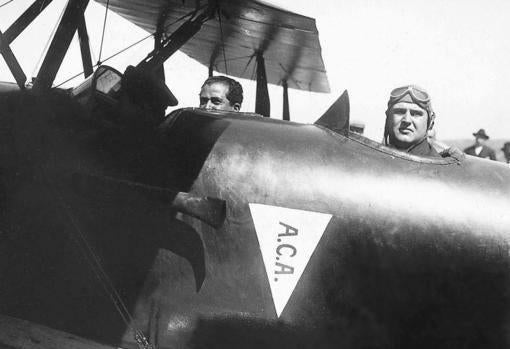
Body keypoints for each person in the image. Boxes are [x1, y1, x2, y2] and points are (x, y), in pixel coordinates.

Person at [383, 85, 440, 157]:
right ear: (388, 118)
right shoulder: (370, 161)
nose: (407, 120)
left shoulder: (444, 167)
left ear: (430, 123)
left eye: (416, 114)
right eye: (400, 112)